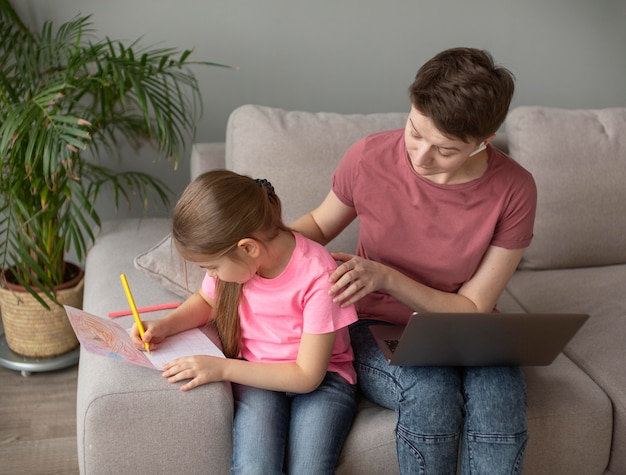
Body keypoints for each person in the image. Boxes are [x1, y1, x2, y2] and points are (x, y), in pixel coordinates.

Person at [291, 47, 537, 474]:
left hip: (465, 327)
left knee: (501, 395)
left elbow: (474, 308)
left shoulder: (514, 188)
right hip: (374, 324)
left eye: (445, 149)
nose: (421, 157)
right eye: (415, 131)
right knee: (431, 390)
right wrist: (255, 239)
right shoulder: (369, 157)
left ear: (484, 141)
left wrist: (386, 276)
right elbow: (317, 223)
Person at [130, 170, 358, 474]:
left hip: (323, 380)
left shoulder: (319, 274)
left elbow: (307, 376)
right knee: (254, 467)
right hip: (257, 376)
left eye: (212, 267)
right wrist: (165, 325)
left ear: (248, 248)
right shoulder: (237, 266)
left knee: (309, 469)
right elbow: (207, 302)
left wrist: (222, 368)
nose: (210, 275)